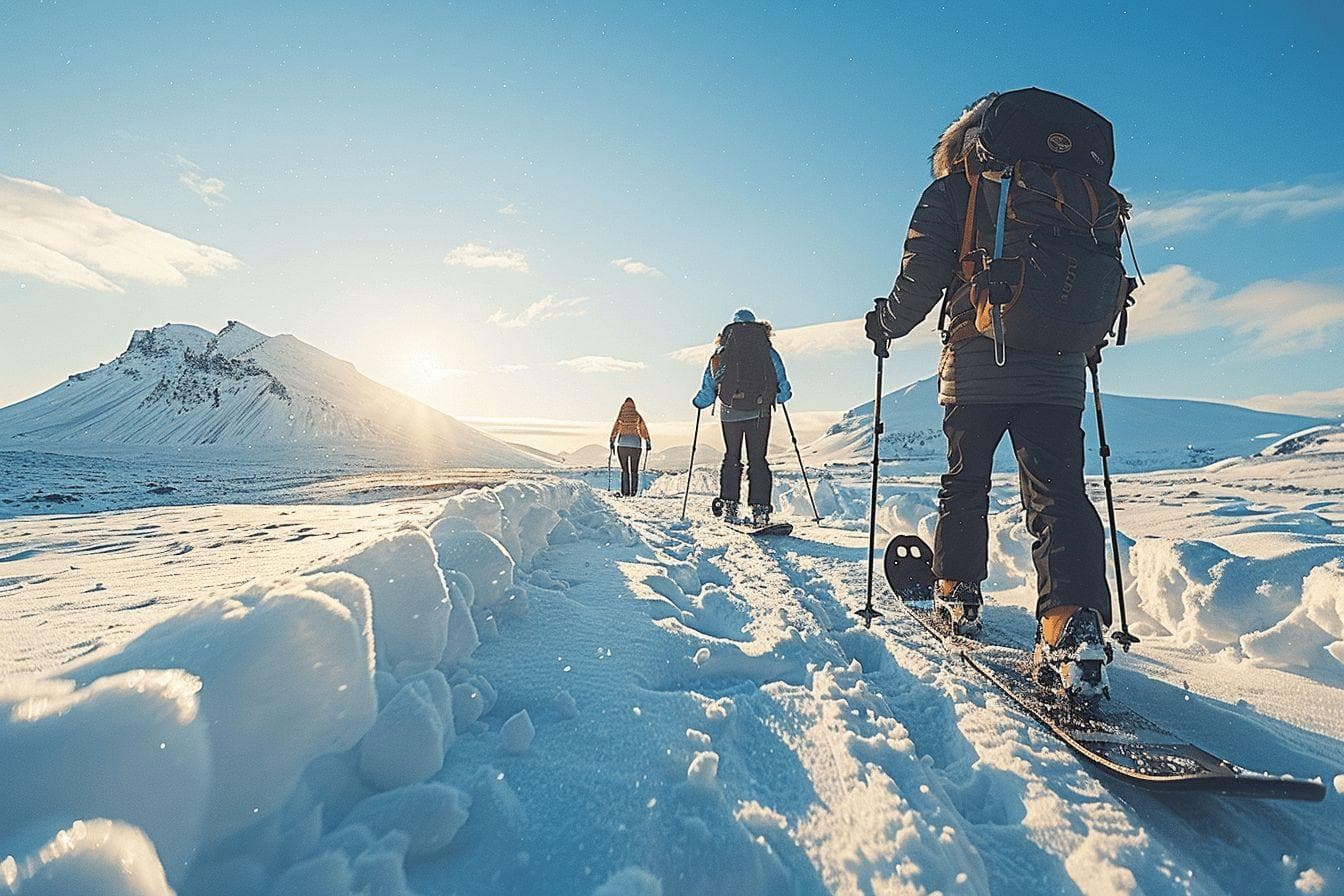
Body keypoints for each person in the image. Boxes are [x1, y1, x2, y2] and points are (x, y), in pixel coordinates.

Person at [864, 91, 1121, 704]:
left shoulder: (956, 191)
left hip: (977, 361)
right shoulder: (1078, 195)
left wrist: (885, 324)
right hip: (1059, 371)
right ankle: (1071, 625)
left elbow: (921, 276)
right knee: (1059, 493)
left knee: (966, 481)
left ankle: (955, 592)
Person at [692, 309, 791, 527]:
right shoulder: (767, 351)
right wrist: (776, 396)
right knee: (757, 459)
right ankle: (760, 510)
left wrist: (699, 401)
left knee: (732, 457)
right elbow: (783, 388)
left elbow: (709, 388)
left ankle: (729, 505)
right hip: (760, 411)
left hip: (730, 411)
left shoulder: (721, 352)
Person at [609, 397, 651, 497]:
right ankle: (633, 492)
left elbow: (615, 429)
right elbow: (643, 430)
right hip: (636, 445)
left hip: (622, 445)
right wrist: (648, 442)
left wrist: (612, 441)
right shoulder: (637, 415)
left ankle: (625, 492)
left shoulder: (621, 416)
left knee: (625, 469)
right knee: (634, 470)